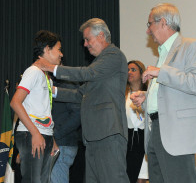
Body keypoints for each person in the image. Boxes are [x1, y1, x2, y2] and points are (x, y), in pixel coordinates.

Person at [34, 18, 130, 183]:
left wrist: (51, 68)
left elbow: (88, 74)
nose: (85, 44)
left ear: (101, 36)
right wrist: (51, 90)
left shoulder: (114, 55)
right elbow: (79, 94)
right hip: (93, 136)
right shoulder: (99, 63)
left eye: (87, 39)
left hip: (109, 132)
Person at [131, 3, 196, 183]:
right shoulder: (162, 54)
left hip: (175, 133)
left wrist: (161, 72)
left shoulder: (190, 46)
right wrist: (146, 99)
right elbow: (167, 94)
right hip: (154, 130)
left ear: (163, 23)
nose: (148, 31)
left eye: (149, 24)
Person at [10, 30, 61, 183]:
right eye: (59, 49)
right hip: (31, 134)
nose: (61, 54)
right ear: (47, 49)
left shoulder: (47, 78)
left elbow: (43, 111)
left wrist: (51, 138)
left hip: (43, 134)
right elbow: (15, 102)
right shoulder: (33, 72)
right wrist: (36, 133)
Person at [50, 77, 81, 183]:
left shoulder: (67, 85)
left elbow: (77, 115)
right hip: (53, 143)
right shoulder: (49, 83)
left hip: (61, 145)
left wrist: (54, 134)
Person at [126, 60, 148, 183]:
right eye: (128, 70)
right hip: (127, 140)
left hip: (143, 139)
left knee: (141, 178)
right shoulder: (122, 95)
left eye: (133, 69)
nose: (129, 72)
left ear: (141, 73)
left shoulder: (147, 94)